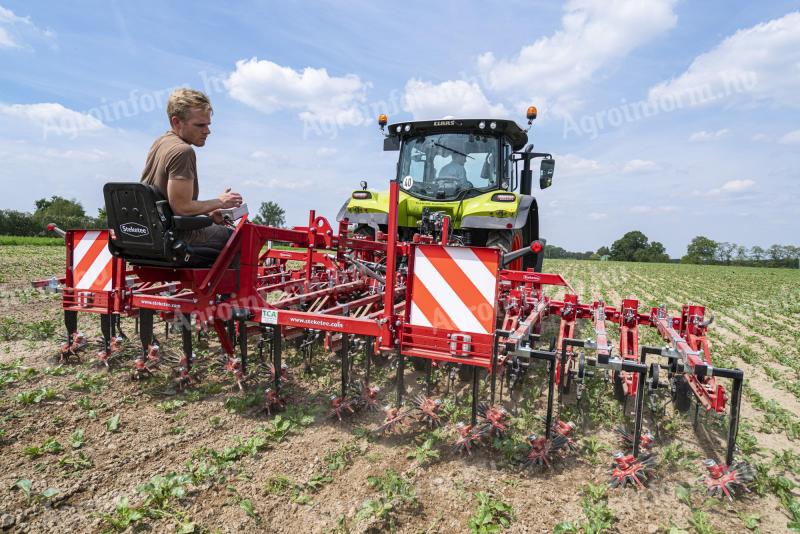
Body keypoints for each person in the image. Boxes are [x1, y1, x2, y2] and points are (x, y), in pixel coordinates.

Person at [140, 88, 242, 252]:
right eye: (200, 125)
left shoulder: (160, 143)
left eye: (208, 124)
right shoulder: (183, 151)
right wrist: (220, 201)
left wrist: (209, 214)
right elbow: (181, 208)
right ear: (177, 122)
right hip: (174, 235)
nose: (207, 131)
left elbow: (167, 204)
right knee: (240, 239)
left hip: (150, 232)